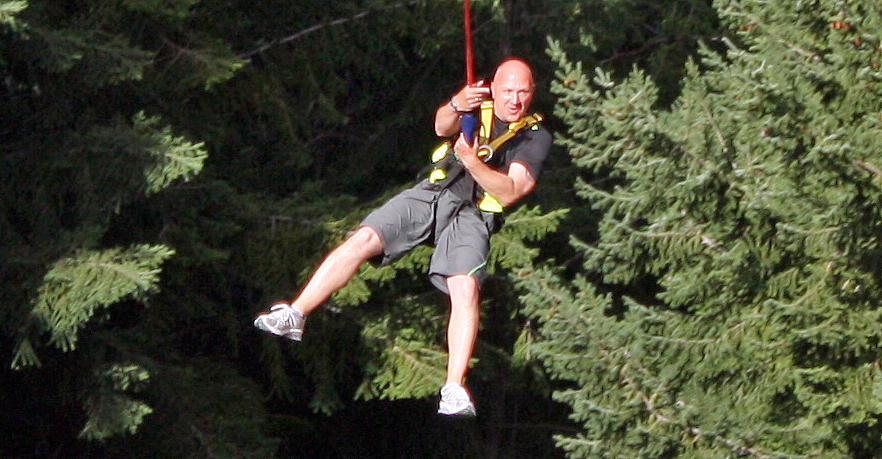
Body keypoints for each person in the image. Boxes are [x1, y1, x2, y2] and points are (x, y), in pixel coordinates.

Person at [254, 57, 552, 417]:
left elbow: (508, 191)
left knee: (465, 287)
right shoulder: (478, 105)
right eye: (507, 90)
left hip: (473, 214)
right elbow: (442, 125)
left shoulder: (534, 138)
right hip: (434, 191)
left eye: (522, 92)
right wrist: (458, 104)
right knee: (363, 239)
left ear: (532, 93)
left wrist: (473, 162)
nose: (514, 99)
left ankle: (454, 388)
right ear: (494, 87)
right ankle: (295, 314)